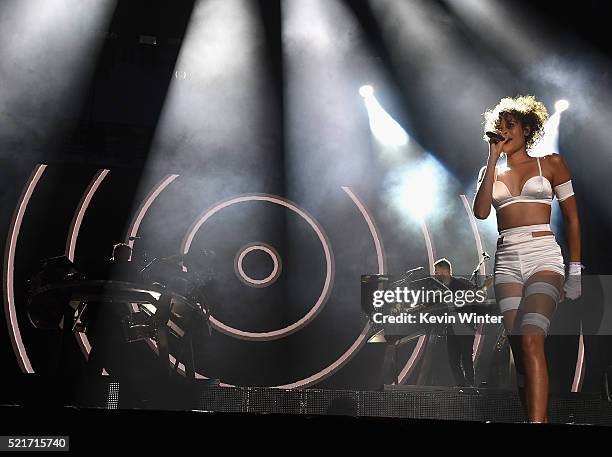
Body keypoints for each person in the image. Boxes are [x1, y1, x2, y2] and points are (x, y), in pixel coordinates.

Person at [472, 95, 582, 423]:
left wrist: (574, 269)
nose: (503, 132)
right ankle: (533, 418)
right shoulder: (490, 172)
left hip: (542, 256)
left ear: (526, 129)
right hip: (506, 259)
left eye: (511, 125)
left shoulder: (550, 164)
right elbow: (480, 213)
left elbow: (573, 218)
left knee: (533, 338)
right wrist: (492, 160)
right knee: (519, 350)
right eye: (499, 127)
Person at [434, 258, 477, 387]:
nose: (435, 274)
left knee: (466, 358)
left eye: (437, 271)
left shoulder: (462, 283)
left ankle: (470, 386)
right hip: (450, 328)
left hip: (465, 326)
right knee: (453, 360)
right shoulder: (439, 289)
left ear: (445, 271)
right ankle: (461, 386)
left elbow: (475, 295)